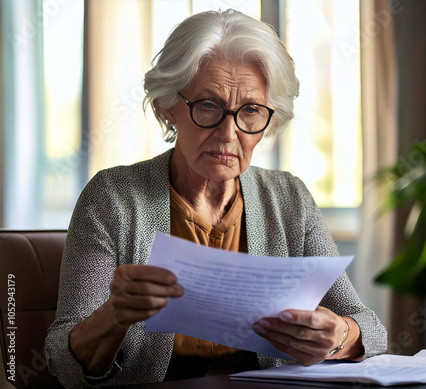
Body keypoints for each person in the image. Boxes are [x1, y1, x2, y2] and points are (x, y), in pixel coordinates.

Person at [45, 9, 387, 388]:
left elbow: (370, 329)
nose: (228, 133)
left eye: (251, 111)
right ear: (168, 106)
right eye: (208, 105)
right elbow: (63, 363)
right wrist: (113, 317)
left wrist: (339, 335)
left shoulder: (290, 198)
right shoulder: (113, 199)